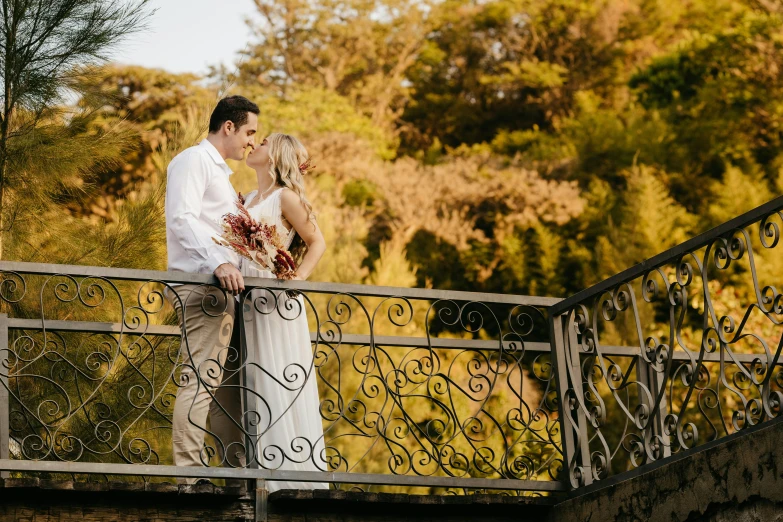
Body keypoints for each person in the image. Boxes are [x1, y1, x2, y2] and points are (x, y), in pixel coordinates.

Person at [164, 95, 258, 482]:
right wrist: (215, 263)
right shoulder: (193, 160)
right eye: (250, 132)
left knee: (225, 388)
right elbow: (181, 218)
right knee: (200, 380)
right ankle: (189, 477)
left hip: (225, 293)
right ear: (229, 127)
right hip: (203, 288)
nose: (252, 141)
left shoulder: (221, 175)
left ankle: (235, 473)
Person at [241, 133, 328, 491]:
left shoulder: (285, 197)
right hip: (247, 296)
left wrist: (296, 279)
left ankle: (289, 479)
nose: (252, 146)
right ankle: (259, 473)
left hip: (276, 298)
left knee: (277, 372)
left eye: (261, 142)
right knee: (253, 379)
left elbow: (317, 241)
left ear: (274, 156)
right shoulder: (247, 198)